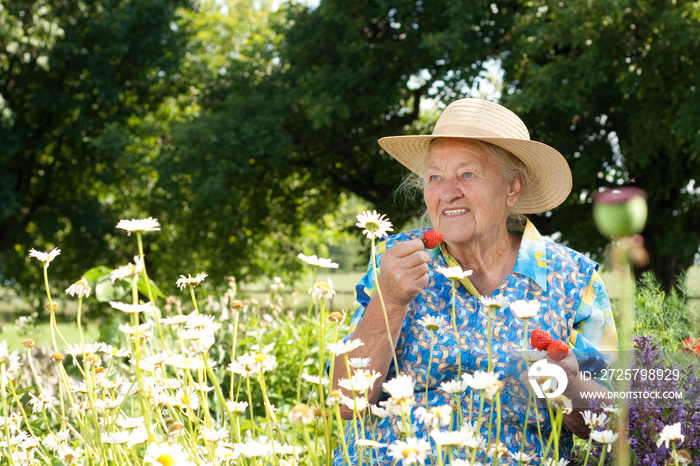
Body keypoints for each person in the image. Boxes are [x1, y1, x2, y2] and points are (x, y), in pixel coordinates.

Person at [331, 98, 618, 465]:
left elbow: (611, 424)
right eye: (435, 177)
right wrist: (389, 300)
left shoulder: (574, 280)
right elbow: (344, 402)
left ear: (512, 187)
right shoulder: (396, 261)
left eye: (467, 174)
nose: (447, 192)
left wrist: (569, 385)